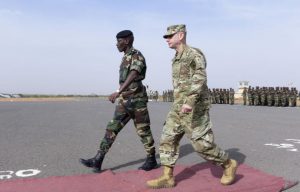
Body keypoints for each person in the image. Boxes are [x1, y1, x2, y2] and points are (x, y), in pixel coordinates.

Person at [146, 24, 238, 189]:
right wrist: (181, 103)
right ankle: (167, 177)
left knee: (201, 144)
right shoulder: (176, 57)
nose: (167, 39)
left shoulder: (193, 54)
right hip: (178, 106)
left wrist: (189, 102)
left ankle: (228, 163)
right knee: (168, 138)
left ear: (180, 36)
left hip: (194, 107)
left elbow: (199, 77)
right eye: (166, 37)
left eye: (170, 36)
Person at [80, 30, 157, 172]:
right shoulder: (125, 57)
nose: (116, 44)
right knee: (112, 128)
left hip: (137, 101)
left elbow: (133, 74)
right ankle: (98, 159)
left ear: (126, 41)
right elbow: (125, 79)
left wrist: (117, 92)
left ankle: (151, 159)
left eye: (119, 41)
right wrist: (120, 93)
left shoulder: (136, 55)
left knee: (143, 130)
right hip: (125, 101)